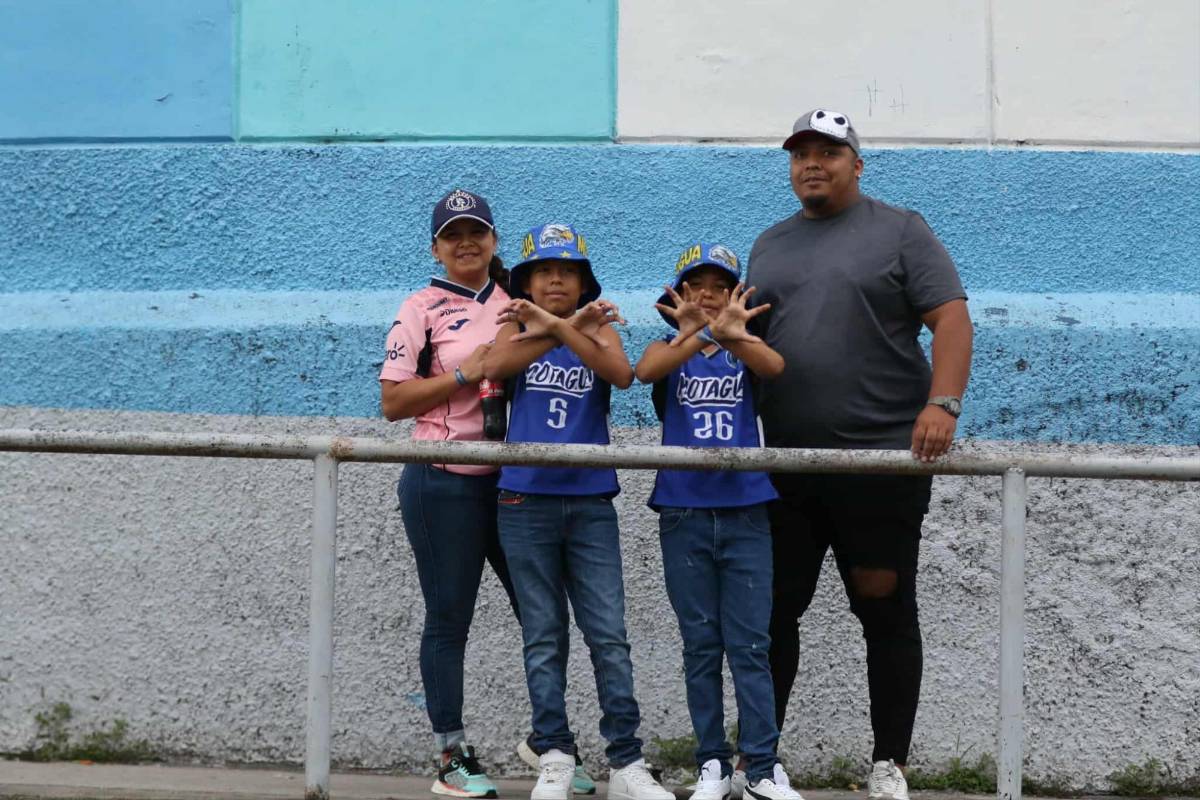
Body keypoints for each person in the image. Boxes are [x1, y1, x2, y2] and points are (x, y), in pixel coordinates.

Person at [746, 110, 973, 800]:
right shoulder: (769, 245)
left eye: (828, 152)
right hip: (786, 465)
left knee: (884, 607)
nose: (812, 164)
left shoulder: (901, 229)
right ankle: (762, 763)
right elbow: (748, 343)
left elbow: (952, 318)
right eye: (800, 154)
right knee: (774, 612)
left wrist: (943, 404)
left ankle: (889, 765)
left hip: (879, 465)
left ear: (857, 164)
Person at [483, 224, 673, 800]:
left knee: (608, 634)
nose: (556, 279)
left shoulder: (600, 325)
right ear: (526, 282)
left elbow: (620, 373)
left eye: (567, 271)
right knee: (543, 634)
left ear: (584, 280)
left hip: (590, 501)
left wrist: (570, 326)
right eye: (543, 271)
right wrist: (558, 330)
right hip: (524, 499)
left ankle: (625, 762)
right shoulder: (516, 323)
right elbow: (494, 366)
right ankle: (555, 753)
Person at [635, 243, 804, 800]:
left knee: (751, 644)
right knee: (701, 644)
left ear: (736, 293)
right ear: (678, 294)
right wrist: (697, 334)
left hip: (746, 510)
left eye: (718, 286)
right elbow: (643, 373)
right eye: (695, 285)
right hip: (683, 509)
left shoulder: (744, 347)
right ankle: (711, 762)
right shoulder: (673, 348)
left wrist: (732, 334)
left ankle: (760, 765)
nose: (706, 296)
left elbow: (775, 368)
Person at [379, 188, 520, 798]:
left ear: (494, 239)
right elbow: (392, 402)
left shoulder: (520, 300)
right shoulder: (421, 307)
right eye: (453, 234)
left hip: (516, 482)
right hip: (442, 481)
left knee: (542, 616)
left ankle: (552, 745)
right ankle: (449, 756)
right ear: (435, 247)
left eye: (477, 231)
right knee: (449, 621)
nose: (467, 242)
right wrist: (466, 371)